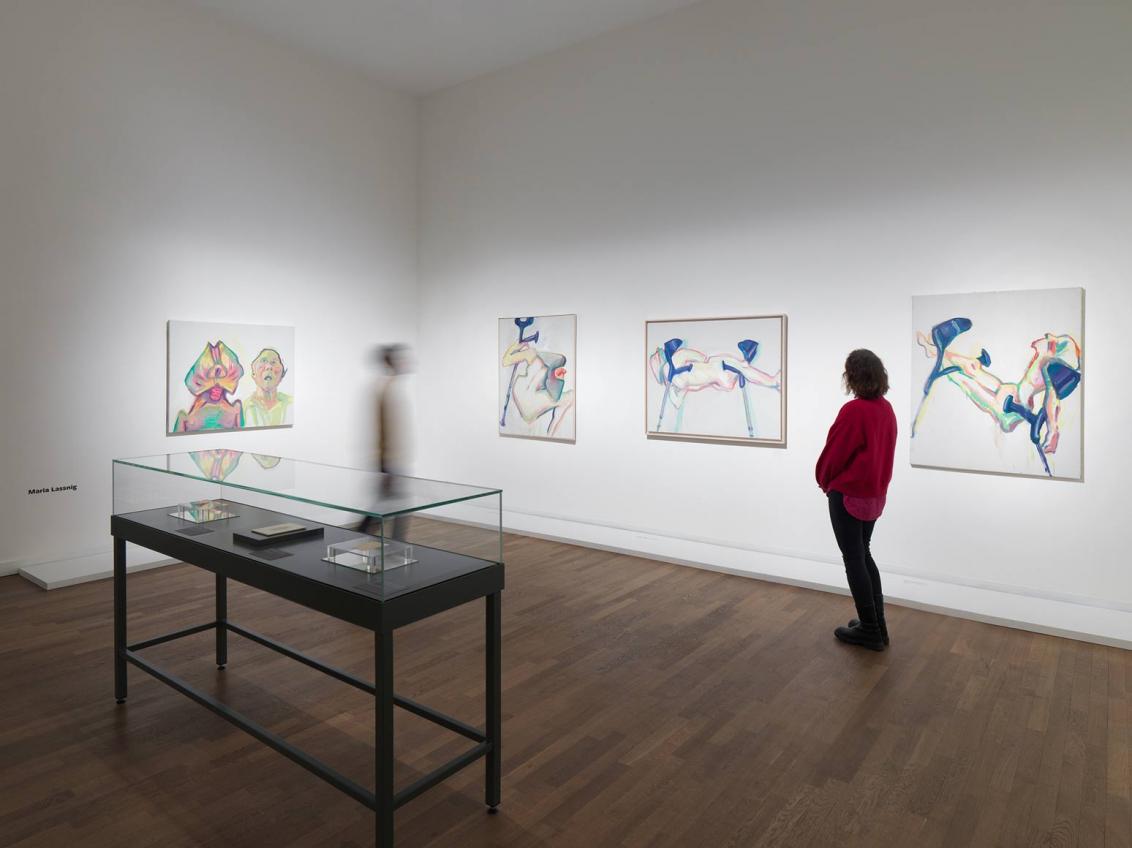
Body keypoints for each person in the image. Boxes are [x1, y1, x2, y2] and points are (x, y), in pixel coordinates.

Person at [815, 349, 898, 651]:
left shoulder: (854, 411)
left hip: (849, 495)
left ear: (852, 376)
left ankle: (871, 631)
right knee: (864, 554)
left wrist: (824, 479)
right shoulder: (886, 409)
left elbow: (835, 454)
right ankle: (877, 625)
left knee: (854, 559)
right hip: (873, 496)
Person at [360, 344, 415, 541]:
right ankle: (388, 545)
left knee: (388, 507)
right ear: (389, 361)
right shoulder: (386, 388)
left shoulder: (388, 387)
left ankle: (386, 544)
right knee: (393, 508)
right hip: (391, 463)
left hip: (391, 462)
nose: (405, 363)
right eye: (399, 359)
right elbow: (385, 430)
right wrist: (387, 465)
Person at [242, 348, 293, 428]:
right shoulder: (243, 408)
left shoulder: (291, 404)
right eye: (263, 361)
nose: (269, 367)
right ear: (253, 373)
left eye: (274, 362)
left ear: (282, 375)